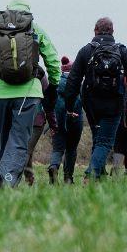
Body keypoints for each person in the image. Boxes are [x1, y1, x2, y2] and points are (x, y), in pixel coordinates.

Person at [0, 0, 62, 188]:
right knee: (19, 140)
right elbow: (53, 60)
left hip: (1, 94)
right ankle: (6, 184)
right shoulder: (35, 29)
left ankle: (2, 181)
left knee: (5, 141)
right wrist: (53, 86)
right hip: (29, 93)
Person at [63, 17, 127, 181]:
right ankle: (91, 174)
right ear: (112, 32)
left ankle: (99, 177)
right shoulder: (121, 50)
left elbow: (73, 80)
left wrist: (69, 105)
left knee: (98, 137)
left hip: (91, 104)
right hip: (114, 104)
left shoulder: (86, 51)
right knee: (105, 141)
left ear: (95, 31)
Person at [47, 56, 83, 184]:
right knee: (71, 149)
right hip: (75, 120)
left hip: (58, 120)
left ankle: (54, 166)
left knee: (57, 148)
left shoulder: (54, 83)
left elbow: (48, 104)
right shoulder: (78, 84)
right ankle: (68, 178)